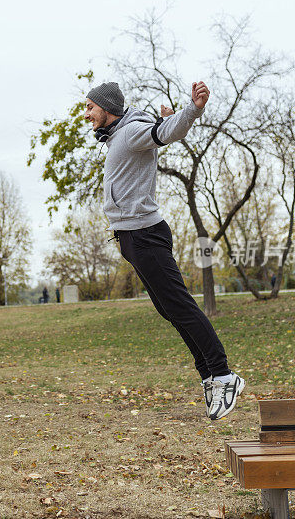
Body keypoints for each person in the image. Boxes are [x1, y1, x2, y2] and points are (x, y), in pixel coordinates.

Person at [84, 81, 244, 420]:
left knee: (181, 307)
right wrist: (166, 122)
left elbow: (166, 131)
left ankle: (225, 375)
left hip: (145, 235)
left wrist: (193, 109)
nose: (86, 115)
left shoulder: (130, 132)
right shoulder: (121, 135)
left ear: (107, 107)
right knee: (169, 310)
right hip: (133, 238)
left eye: (90, 108)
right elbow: (161, 129)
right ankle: (210, 376)